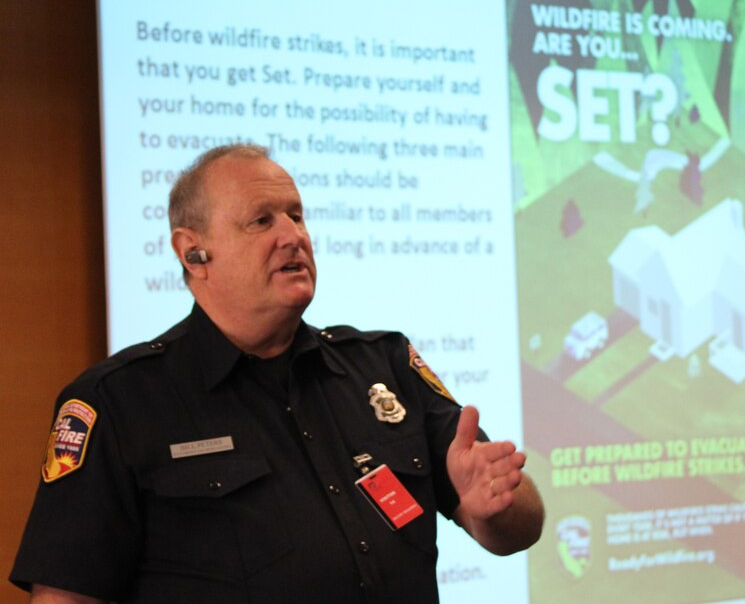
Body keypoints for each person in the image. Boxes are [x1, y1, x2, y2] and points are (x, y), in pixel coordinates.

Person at [10, 144, 544, 603]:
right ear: (193, 253)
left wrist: (495, 509)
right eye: (262, 220)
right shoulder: (120, 402)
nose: (293, 235)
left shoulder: (383, 366)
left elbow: (518, 524)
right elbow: (66, 593)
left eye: (297, 215)